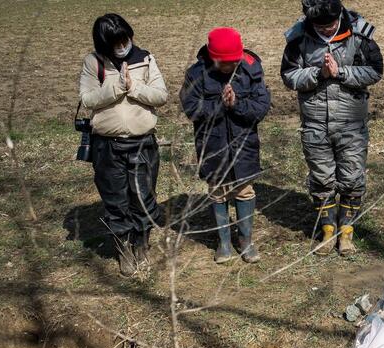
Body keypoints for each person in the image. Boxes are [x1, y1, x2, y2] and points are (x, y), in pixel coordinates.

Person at [281, 0, 383, 256]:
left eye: (330, 25)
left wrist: (340, 73)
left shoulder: (360, 34)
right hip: (314, 124)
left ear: (339, 16)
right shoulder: (298, 38)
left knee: (351, 178)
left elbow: (375, 71)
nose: (326, 31)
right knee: (322, 179)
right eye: (320, 26)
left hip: (351, 122)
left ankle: (346, 233)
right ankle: (328, 230)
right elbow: (288, 75)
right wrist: (318, 75)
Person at [79, 13, 168, 276]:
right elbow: (88, 99)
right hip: (107, 146)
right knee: (116, 201)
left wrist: (134, 88)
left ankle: (141, 245)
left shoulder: (145, 58)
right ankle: (124, 250)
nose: (122, 45)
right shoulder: (93, 62)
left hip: (142, 144)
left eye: (125, 39)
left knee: (142, 197)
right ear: (104, 44)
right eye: (116, 42)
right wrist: (116, 86)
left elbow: (161, 95)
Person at [180, 28, 271, 264]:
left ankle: (246, 241)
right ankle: (223, 243)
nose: (230, 66)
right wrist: (220, 107)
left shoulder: (251, 67)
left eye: (234, 62)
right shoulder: (196, 74)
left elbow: (261, 106)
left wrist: (237, 104)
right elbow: (192, 109)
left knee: (244, 190)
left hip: (244, 145)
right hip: (212, 146)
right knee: (217, 192)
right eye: (225, 63)